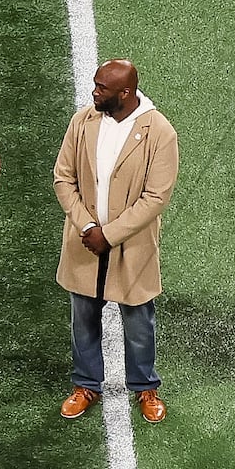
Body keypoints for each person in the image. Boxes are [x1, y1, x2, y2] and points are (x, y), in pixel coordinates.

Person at [54, 58, 176, 421]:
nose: (94, 92)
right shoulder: (83, 121)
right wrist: (87, 227)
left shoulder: (159, 131)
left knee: (139, 323)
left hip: (131, 246)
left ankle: (145, 387)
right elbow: (63, 177)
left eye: (101, 88)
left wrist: (110, 234)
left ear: (125, 93)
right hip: (85, 241)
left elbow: (156, 197)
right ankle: (86, 384)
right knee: (83, 320)